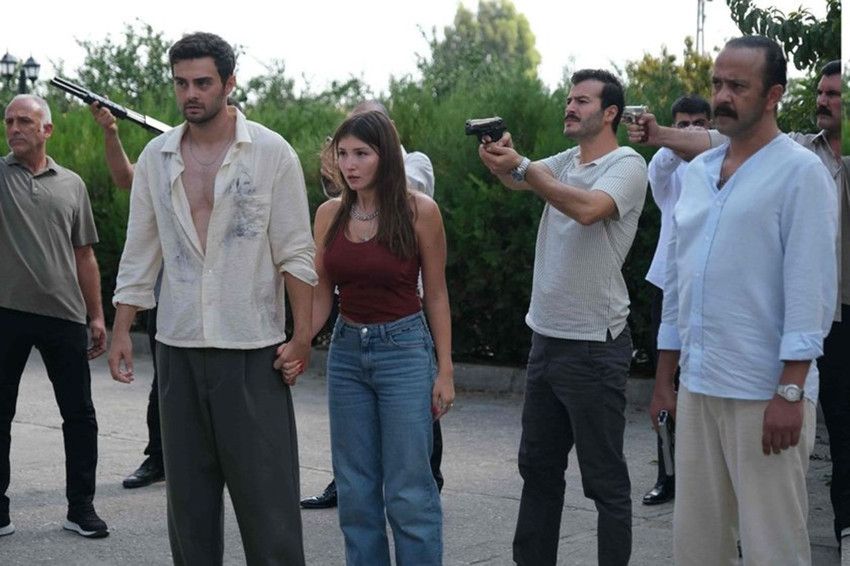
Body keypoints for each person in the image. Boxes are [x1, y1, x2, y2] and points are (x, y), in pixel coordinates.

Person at [107, 32, 315, 565]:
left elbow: (295, 252)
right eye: (181, 83)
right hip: (177, 347)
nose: (190, 94)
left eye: (202, 83)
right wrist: (122, 328)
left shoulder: (271, 153)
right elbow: (140, 249)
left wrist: (302, 337)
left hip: (251, 349)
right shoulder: (156, 157)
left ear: (229, 83)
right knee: (189, 510)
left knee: (269, 509)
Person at [630, 58, 850, 554]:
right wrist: (665, 381)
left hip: (765, 392)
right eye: (717, 84)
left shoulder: (801, 173)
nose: (722, 96)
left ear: (773, 95)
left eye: (737, 86)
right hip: (699, 387)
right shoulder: (699, 173)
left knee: (773, 547)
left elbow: (811, 288)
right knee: (697, 546)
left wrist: (791, 390)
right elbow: (680, 283)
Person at [478, 69, 648, 566]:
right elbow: (518, 179)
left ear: (610, 113)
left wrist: (524, 168)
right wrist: (501, 157)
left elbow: (590, 209)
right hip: (546, 340)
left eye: (582, 101)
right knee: (537, 470)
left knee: (604, 481)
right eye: (569, 99)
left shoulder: (627, 164)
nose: (570, 107)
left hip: (595, 345)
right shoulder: (567, 160)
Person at [286, 109, 453, 565]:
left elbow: (436, 293)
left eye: (361, 153)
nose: (350, 164)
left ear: (386, 156)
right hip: (346, 353)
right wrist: (300, 340)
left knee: (408, 488)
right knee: (355, 489)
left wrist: (445, 370)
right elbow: (322, 292)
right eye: (342, 154)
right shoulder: (329, 214)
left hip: (405, 349)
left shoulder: (420, 211)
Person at [0, 95, 109, 538]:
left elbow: (85, 255)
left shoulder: (72, 184)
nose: (14, 128)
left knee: (79, 415)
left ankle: (81, 508)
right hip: (6, 312)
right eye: (9, 121)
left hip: (65, 315)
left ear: (46, 129)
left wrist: (97, 315)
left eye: (25, 121)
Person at [89, 103, 166, 489]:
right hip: (170, 298)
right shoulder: (169, 158)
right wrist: (110, 132)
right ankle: (159, 458)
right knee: (165, 380)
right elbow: (125, 178)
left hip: (230, 300)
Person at [642, 95, 711, 506]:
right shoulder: (668, 171)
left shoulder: (722, 164)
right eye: (682, 124)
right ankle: (666, 476)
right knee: (665, 383)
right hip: (666, 284)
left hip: (708, 285)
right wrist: (676, 140)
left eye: (699, 124)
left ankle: (702, 480)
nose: (691, 131)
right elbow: (658, 168)